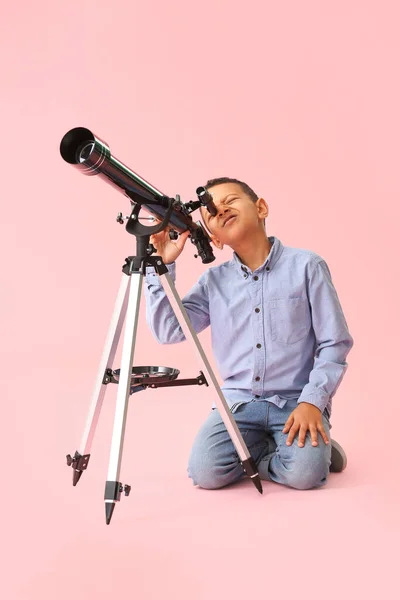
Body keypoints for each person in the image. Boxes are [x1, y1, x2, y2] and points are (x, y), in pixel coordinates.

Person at [143, 177, 354, 491]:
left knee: (306, 475)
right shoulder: (213, 282)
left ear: (261, 207)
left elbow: (333, 343)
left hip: (296, 403)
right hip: (239, 404)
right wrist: (160, 265)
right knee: (205, 473)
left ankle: (303, 452)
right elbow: (167, 330)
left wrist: (313, 402)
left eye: (230, 200)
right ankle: (277, 452)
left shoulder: (307, 266)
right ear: (213, 237)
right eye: (211, 213)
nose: (221, 210)